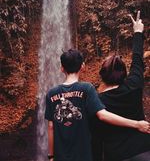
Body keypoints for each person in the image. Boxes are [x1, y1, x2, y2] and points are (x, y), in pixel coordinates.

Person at [45, 42, 150, 161]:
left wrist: (51, 155)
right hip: (84, 154)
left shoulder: (51, 93)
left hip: (62, 154)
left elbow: (51, 127)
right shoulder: (87, 89)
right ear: (83, 66)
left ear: (61, 68)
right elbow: (102, 115)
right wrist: (137, 124)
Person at [91, 11, 150, 161]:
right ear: (124, 73)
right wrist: (137, 32)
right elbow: (137, 59)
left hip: (116, 155)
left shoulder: (97, 101)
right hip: (142, 152)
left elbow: (96, 137)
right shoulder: (134, 85)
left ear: (102, 76)